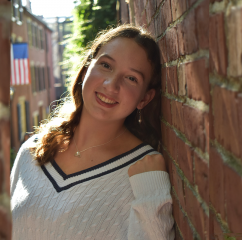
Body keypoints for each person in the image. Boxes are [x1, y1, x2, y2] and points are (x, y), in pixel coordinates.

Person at [10, 24, 175, 240]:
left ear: (145, 98)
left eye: (131, 78)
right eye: (106, 65)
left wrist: (151, 189)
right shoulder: (31, 151)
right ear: (87, 68)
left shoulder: (143, 173)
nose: (111, 84)